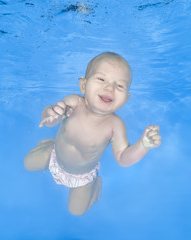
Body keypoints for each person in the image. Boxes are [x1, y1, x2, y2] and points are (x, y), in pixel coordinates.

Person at [24, 52, 161, 216]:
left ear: (126, 98)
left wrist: (143, 145)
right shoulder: (74, 103)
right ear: (83, 85)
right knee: (27, 163)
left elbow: (123, 159)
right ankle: (49, 144)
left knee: (76, 211)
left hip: (82, 176)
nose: (109, 88)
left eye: (119, 86)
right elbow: (51, 119)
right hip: (55, 157)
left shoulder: (115, 126)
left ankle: (95, 187)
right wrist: (51, 113)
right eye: (101, 79)